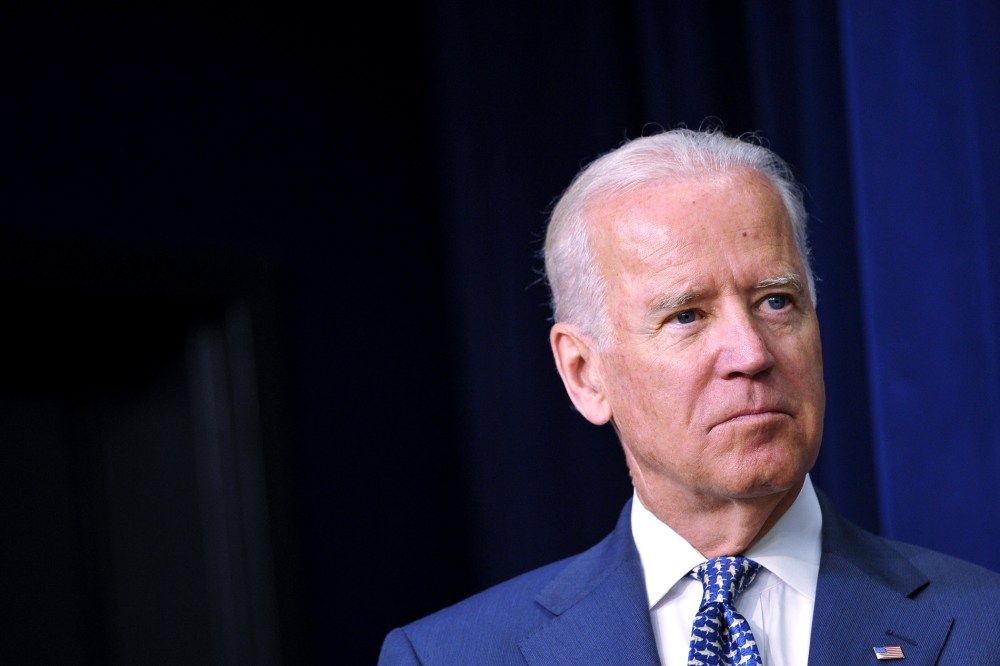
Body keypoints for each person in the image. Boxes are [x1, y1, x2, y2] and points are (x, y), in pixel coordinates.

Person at [378, 128, 1000, 665]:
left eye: (775, 301)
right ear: (584, 373)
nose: (752, 353)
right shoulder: (447, 657)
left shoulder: (985, 629)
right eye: (686, 315)